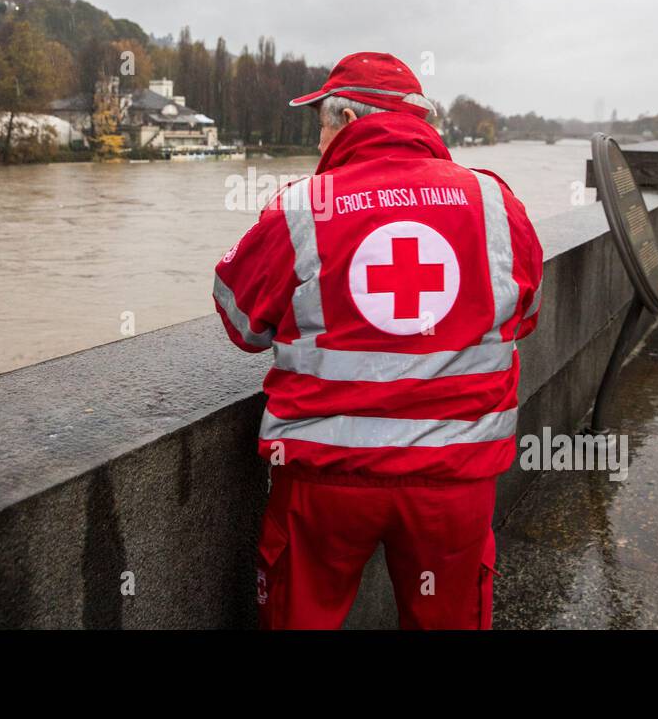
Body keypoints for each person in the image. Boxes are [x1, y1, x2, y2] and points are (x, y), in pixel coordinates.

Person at [212, 52, 543, 629]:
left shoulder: (301, 208)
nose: (319, 141)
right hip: (454, 482)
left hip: (325, 482)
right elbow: (525, 314)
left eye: (320, 125)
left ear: (344, 120)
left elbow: (242, 324)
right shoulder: (496, 203)